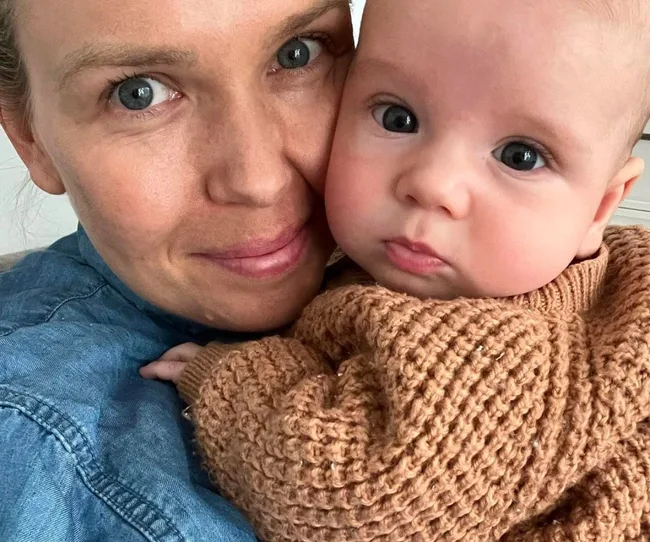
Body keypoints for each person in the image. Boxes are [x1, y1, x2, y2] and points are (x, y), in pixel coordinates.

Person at [141, 0, 650, 540]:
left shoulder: (511, 350)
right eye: (397, 118)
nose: (431, 184)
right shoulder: (439, 268)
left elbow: (347, 497)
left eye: (520, 156)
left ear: (600, 209)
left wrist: (230, 379)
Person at [0, 0, 355, 540]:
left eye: (297, 54)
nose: (259, 180)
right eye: (138, 93)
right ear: (30, 139)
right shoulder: (34, 441)